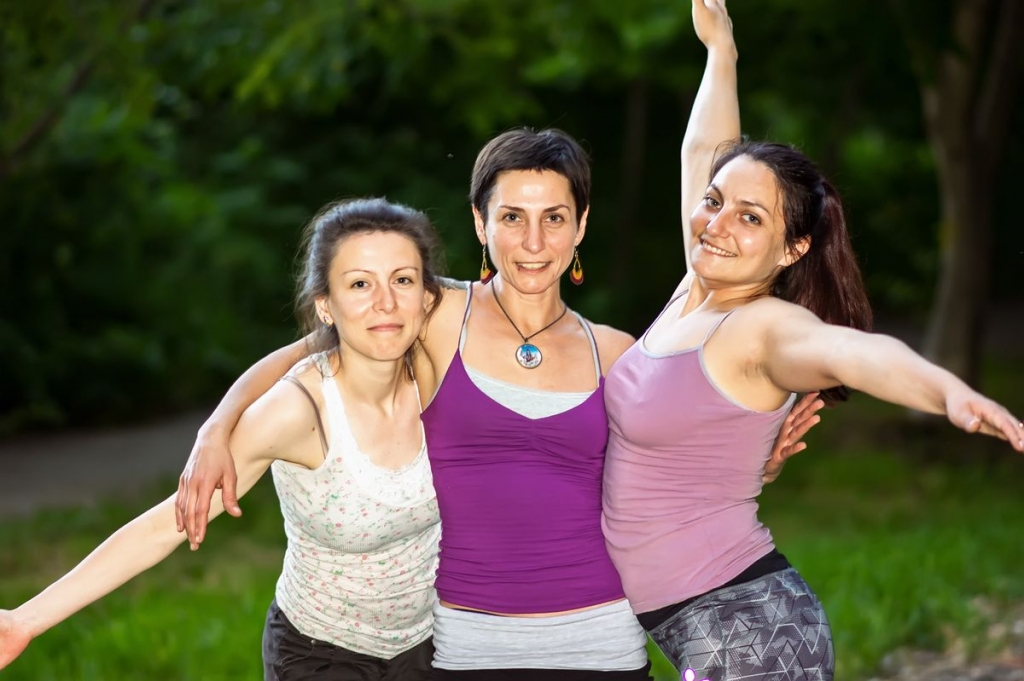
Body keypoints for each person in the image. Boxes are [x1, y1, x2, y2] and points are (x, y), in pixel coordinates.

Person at [170, 124, 821, 677]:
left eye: (554, 218)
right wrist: (216, 429)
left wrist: (754, 461)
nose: (534, 243)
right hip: (468, 649)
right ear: (481, 223)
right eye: (512, 218)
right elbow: (311, 352)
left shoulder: (617, 352)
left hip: (603, 645)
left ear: (581, 226)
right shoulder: (434, 314)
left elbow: (667, 463)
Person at [600, 2, 1024, 680]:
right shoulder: (694, 286)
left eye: (751, 217)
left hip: (749, 630)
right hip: (702, 622)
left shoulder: (762, 327)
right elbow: (702, 151)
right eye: (714, 202)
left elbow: (853, 352)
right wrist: (721, 52)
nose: (717, 223)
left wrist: (947, 391)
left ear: (792, 248)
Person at [0, 198, 448, 681]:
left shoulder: (448, 372)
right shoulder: (297, 411)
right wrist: (24, 621)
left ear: (428, 296)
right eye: (360, 283)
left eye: (403, 280)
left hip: (432, 645)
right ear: (326, 306)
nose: (385, 302)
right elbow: (163, 526)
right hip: (322, 654)